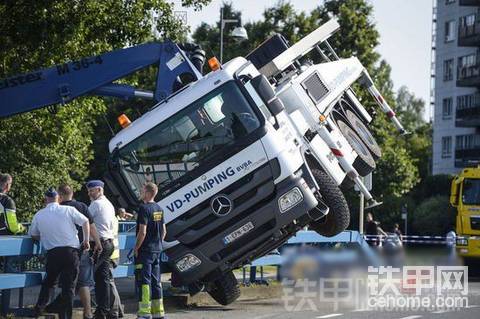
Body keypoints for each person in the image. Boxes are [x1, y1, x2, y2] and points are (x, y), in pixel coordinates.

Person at [29, 188, 90, 319]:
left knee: (49, 282)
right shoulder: (68, 210)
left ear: (46, 199)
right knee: (69, 287)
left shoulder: (39, 214)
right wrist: (86, 240)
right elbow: (85, 221)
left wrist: (45, 236)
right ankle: (65, 316)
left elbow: (33, 234)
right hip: (71, 252)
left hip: (53, 253)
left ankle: (38, 310)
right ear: (59, 198)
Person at [46, 184, 102, 319]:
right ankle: (88, 313)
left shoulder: (57, 209)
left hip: (61, 250)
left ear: (59, 195)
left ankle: (58, 310)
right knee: (83, 283)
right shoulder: (82, 206)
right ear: (72, 193)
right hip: (81, 249)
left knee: (64, 284)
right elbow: (92, 226)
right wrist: (98, 243)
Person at [134, 182, 167, 319]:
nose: (140, 193)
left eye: (142, 190)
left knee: (144, 282)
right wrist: (158, 243)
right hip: (156, 250)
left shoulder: (144, 208)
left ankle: (145, 313)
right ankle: (158, 312)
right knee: (156, 281)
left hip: (145, 251)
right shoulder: (159, 208)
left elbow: (142, 232)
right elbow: (164, 230)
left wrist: (136, 248)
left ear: (147, 193)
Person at [87, 180, 116, 319]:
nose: (89, 194)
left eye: (91, 191)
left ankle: (101, 310)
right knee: (103, 278)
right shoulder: (109, 204)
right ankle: (105, 310)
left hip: (99, 245)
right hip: (109, 243)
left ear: (99, 190)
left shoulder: (96, 204)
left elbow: (85, 221)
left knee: (92, 277)